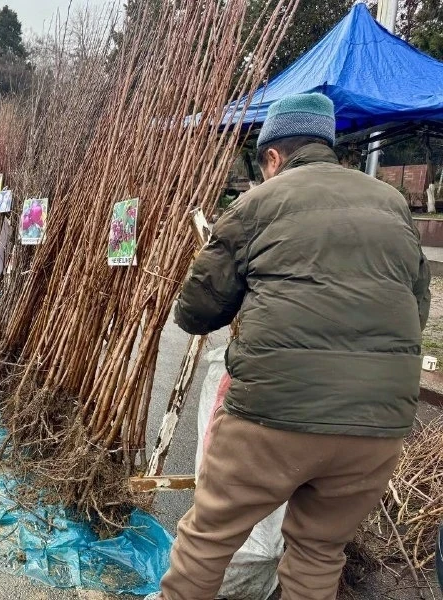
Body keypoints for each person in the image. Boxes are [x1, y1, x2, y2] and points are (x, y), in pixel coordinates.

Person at [148, 93, 431, 600]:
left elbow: (195, 312)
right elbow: (418, 311)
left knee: (208, 539)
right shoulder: (392, 204)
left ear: (273, 158)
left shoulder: (258, 203)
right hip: (376, 427)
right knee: (319, 553)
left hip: (272, 418)